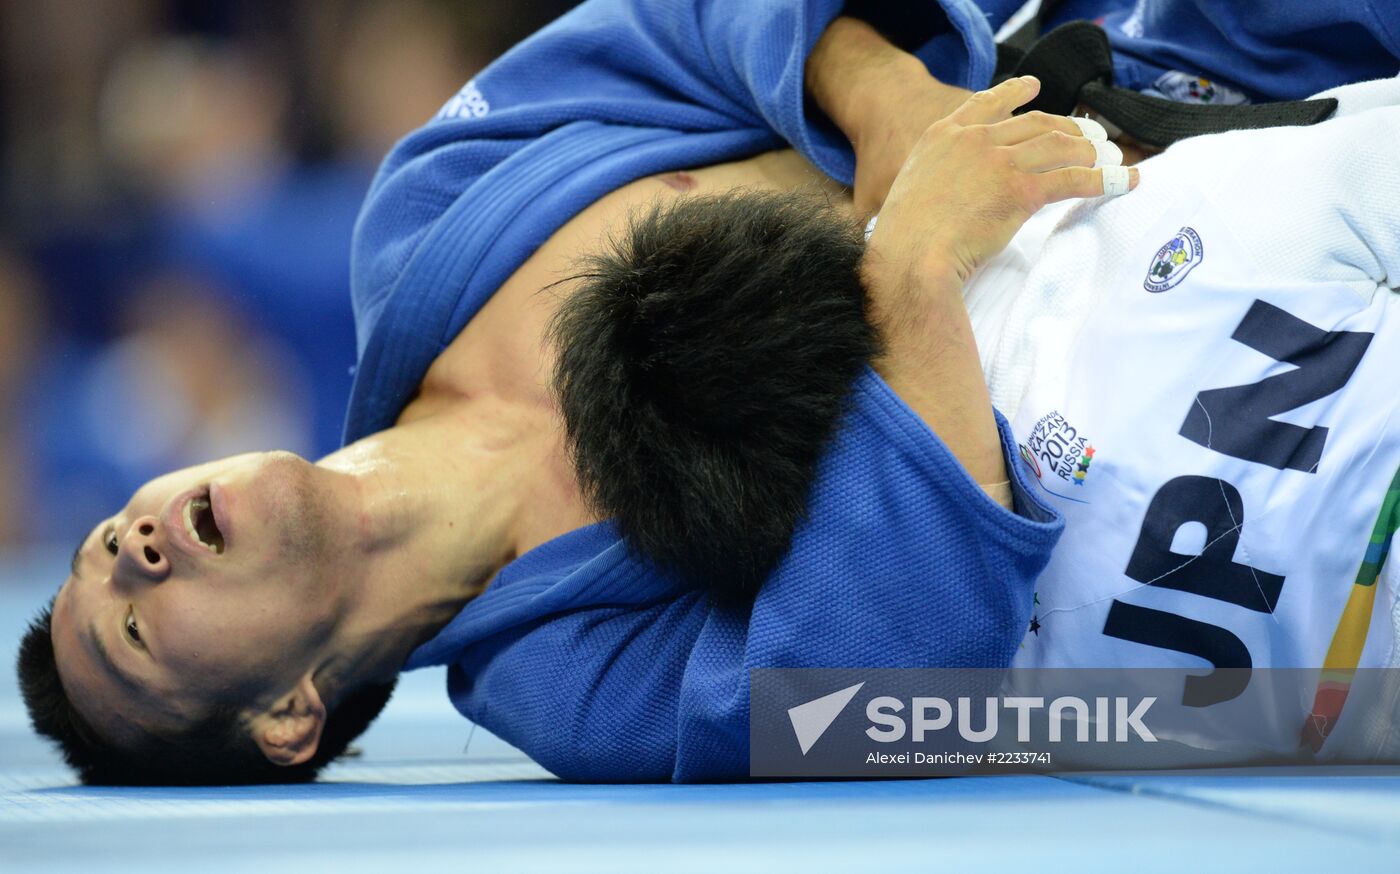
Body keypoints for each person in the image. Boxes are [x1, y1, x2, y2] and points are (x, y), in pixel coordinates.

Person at [17, 0, 1399, 784]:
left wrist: (881, 107)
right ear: (289, 712)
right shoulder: (561, 685)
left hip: (1175, 93)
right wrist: (911, 273)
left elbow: (688, 18)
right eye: (135, 632)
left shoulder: (425, 218)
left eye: (97, 552)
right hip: (1193, 390)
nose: (129, 554)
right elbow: (887, 685)